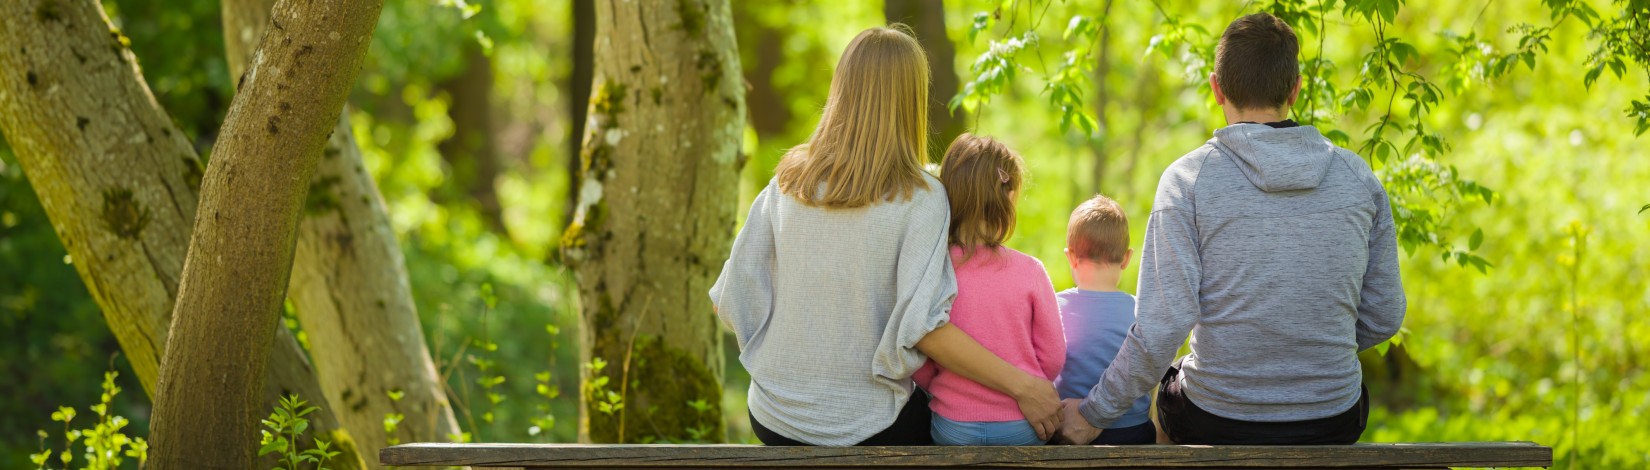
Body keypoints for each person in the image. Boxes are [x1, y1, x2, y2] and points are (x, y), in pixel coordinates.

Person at [1055, 12, 1406, 445]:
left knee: (1170, 388)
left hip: (1217, 417)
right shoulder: (1358, 178)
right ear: (1295, 89)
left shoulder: (1187, 181)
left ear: (1215, 87)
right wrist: (1306, 340)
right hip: (1334, 416)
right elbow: (1386, 314)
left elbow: (1163, 329)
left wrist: (1091, 416)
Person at [710, 26, 1061, 447]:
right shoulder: (921, 198)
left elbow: (730, 300)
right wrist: (1026, 387)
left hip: (774, 418)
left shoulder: (788, 182)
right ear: (912, 100)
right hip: (868, 425)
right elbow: (925, 330)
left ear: (842, 88)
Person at [911, 134, 1065, 446]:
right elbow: (1053, 357)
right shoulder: (1030, 271)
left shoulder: (934, 268)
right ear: (1007, 198)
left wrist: (943, 385)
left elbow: (921, 360)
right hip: (1021, 423)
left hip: (952, 425)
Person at [1050, 195, 1154, 445]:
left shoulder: (1054, 306)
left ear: (1071, 257)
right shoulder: (1141, 309)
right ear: (1127, 258)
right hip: (1132, 432)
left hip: (1068, 429)